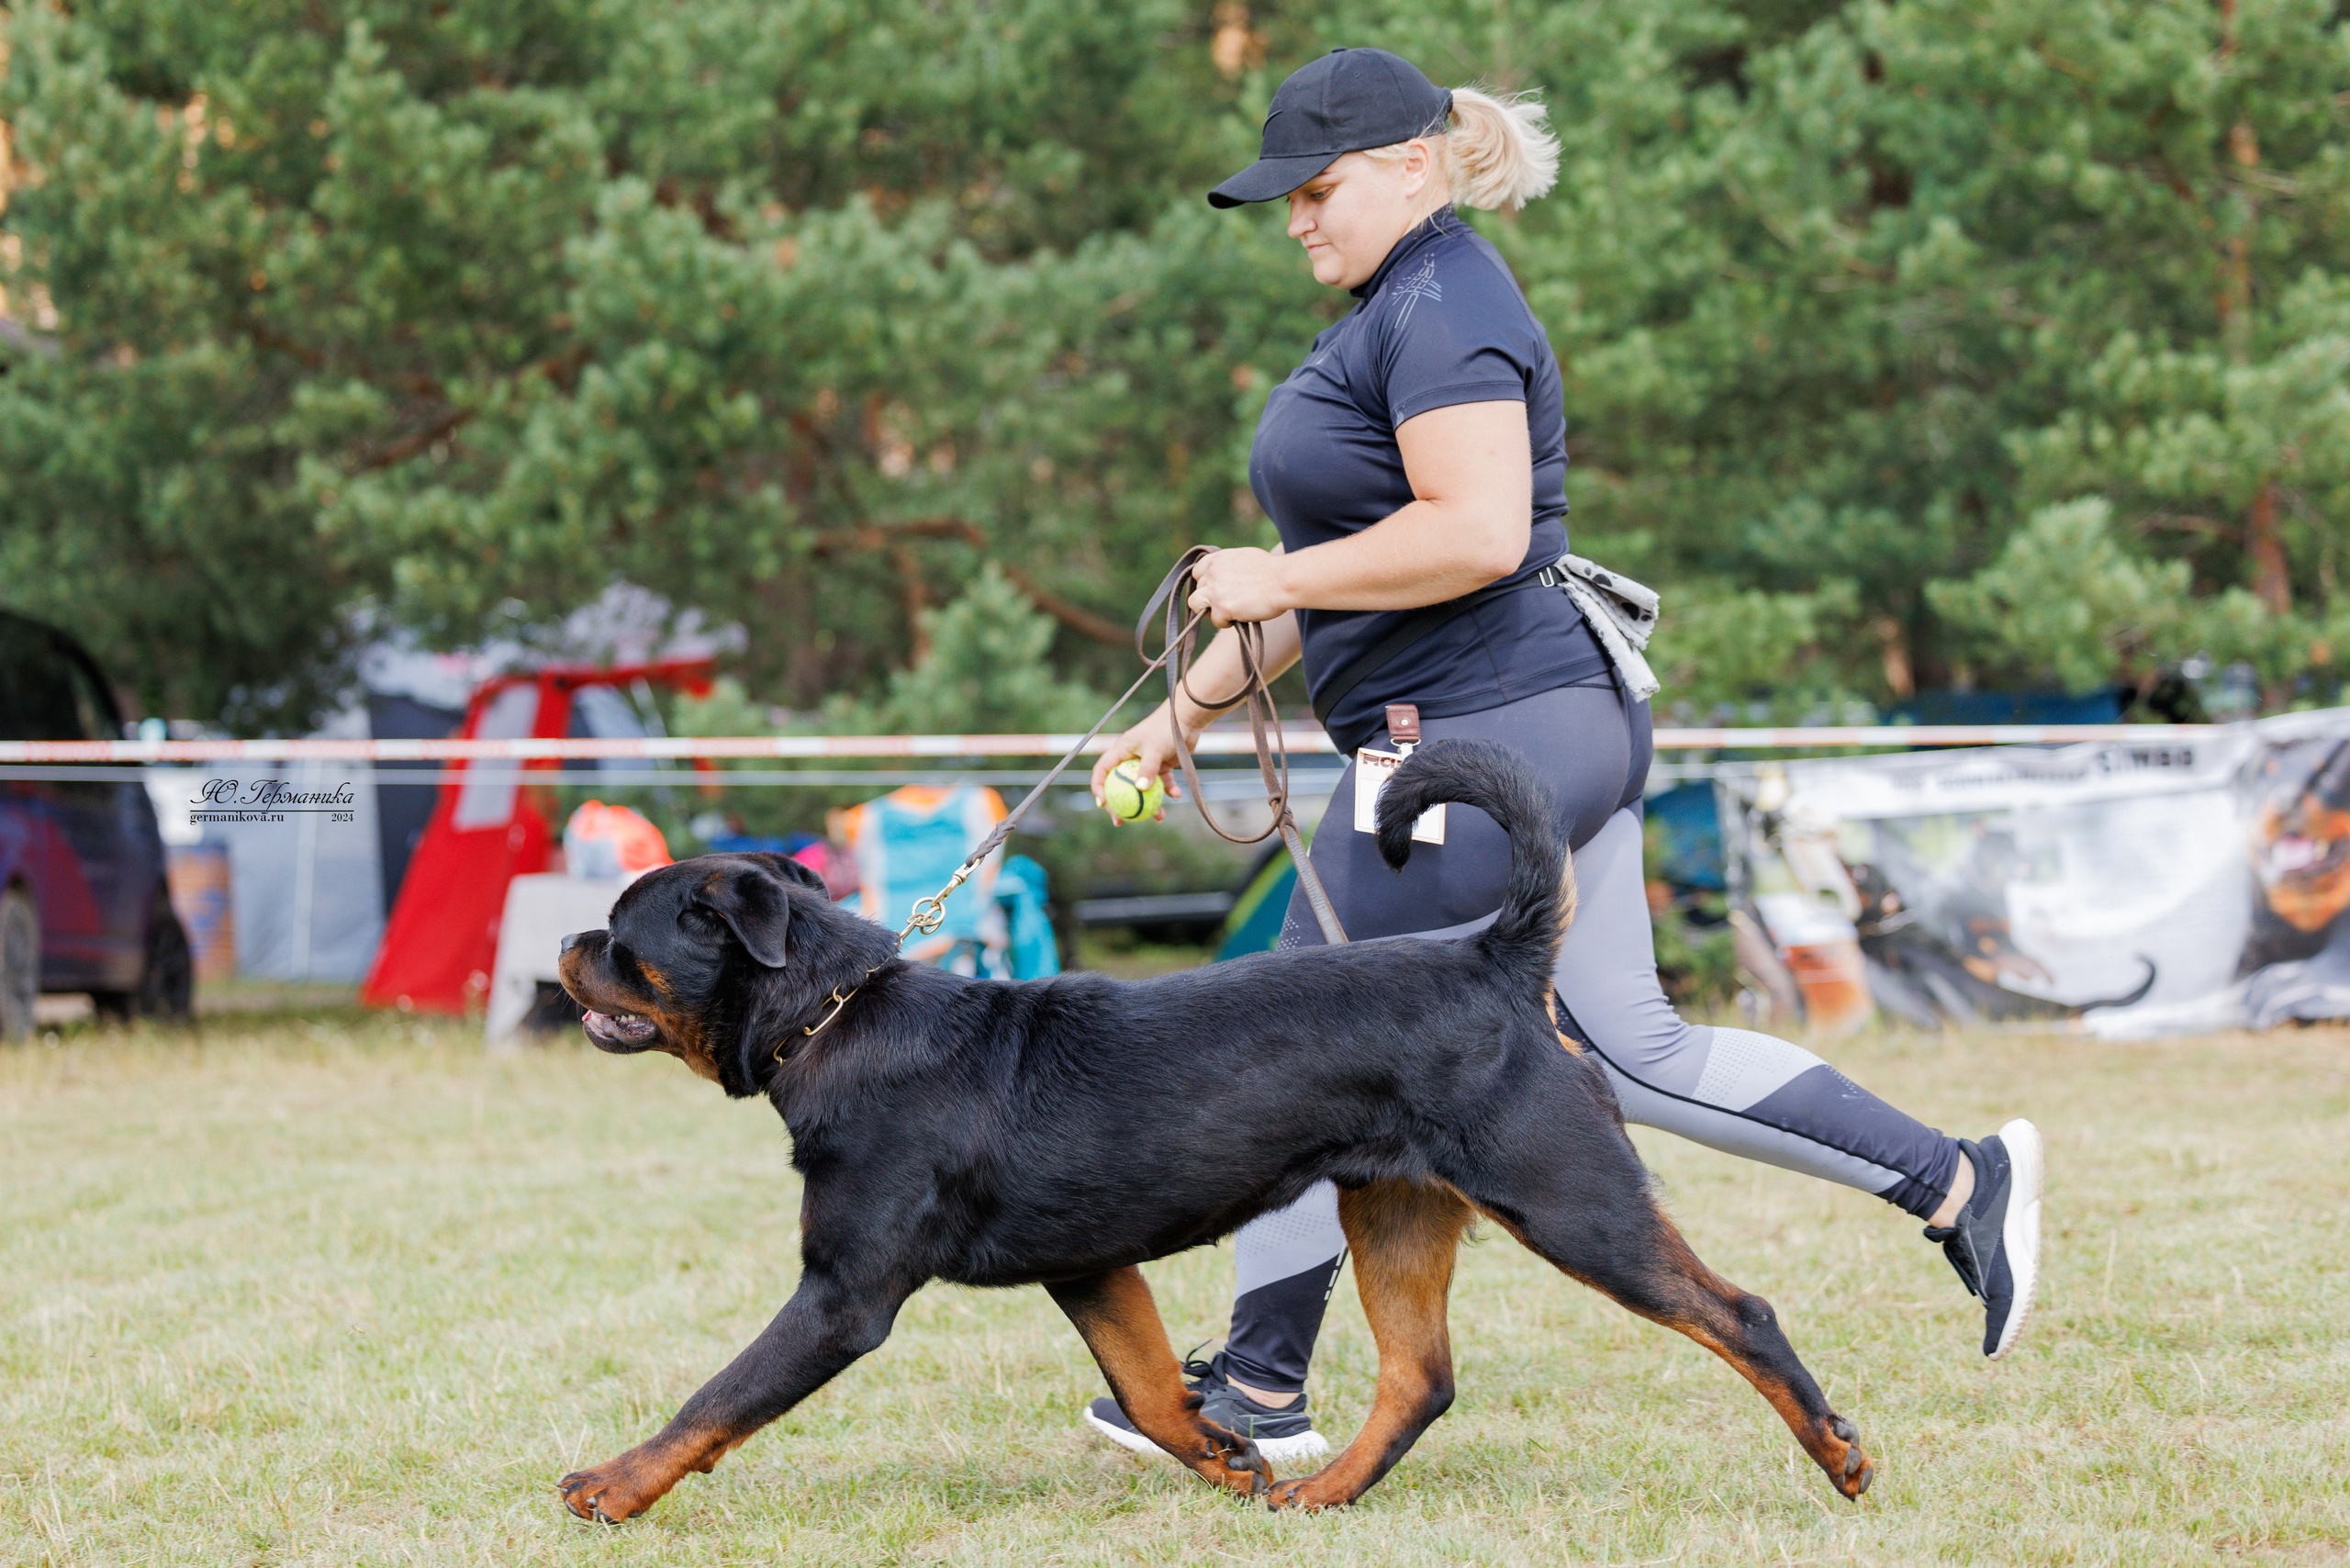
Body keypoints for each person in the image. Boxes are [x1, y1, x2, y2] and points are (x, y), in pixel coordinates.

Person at [1080, 48, 2044, 1466]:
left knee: (1289, 1034)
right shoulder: (1397, 303)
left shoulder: (1445, 302)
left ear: (1413, 166)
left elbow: (1473, 533)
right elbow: (1338, 571)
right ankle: (1960, 1178)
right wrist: (1180, 714)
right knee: (1634, 1049)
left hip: (1473, 733)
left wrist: (1273, 581)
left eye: (1319, 186)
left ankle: (1257, 1391)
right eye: (1282, 195)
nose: (1295, 214)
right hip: (1540, 720)